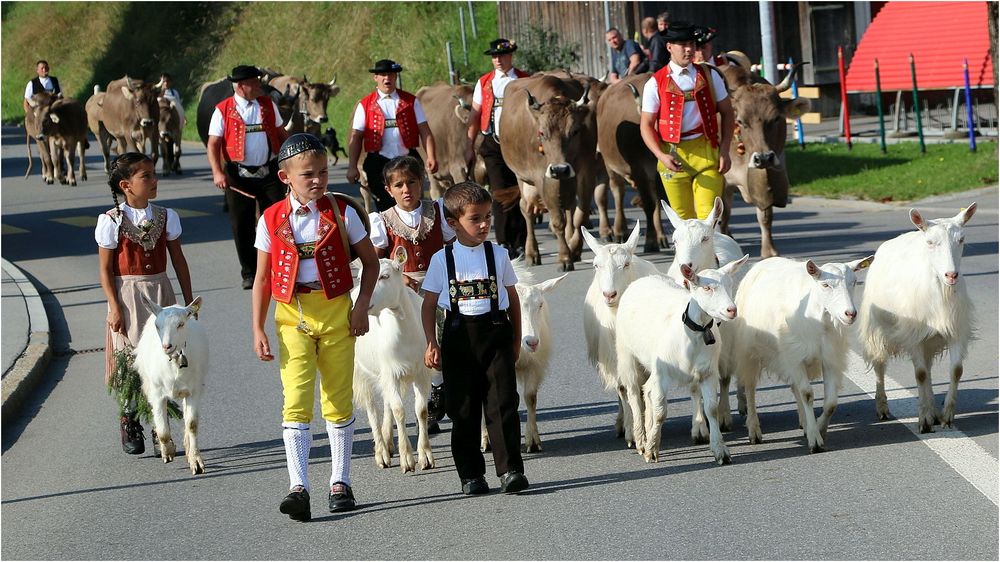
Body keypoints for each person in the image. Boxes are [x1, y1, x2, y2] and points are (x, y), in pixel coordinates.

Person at [251, 133, 378, 522]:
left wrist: (360, 308)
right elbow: (263, 279)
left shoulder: (342, 212)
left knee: (338, 397)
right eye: (308, 174)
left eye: (323, 172)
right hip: (292, 315)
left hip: (336, 310)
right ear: (285, 176)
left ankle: (340, 482)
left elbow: (370, 265)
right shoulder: (270, 219)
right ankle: (298, 486)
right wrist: (257, 328)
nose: (318, 180)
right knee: (296, 397)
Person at [421, 181, 528, 496]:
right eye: (475, 219)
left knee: (503, 403)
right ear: (453, 223)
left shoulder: (498, 254)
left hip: (496, 332)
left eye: (487, 217)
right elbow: (428, 305)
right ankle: (471, 475)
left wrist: (517, 338)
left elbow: (513, 297)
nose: (484, 225)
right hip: (459, 336)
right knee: (463, 409)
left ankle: (510, 470)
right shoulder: (443, 260)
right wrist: (431, 342)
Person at [96, 152, 194, 455]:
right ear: (126, 185)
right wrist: (114, 306)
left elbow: (178, 260)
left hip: (161, 292)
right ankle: (129, 417)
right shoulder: (111, 220)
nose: (154, 180)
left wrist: (189, 304)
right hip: (128, 295)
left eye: (154, 174)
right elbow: (104, 270)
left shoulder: (166, 216)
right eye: (146, 176)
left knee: (163, 358)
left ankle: (158, 423)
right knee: (132, 358)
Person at [368, 155, 456, 432]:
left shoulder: (438, 212)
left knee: (442, 340)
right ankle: (426, 400)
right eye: (399, 185)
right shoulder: (383, 221)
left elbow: (454, 248)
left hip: (438, 289)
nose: (406, 190)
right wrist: (398, 275)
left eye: (412, 182)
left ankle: (440, 392)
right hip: (403, 294)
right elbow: (374, 262)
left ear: (422, 183)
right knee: (412, 346)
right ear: (388, 190)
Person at [639, 22, 735, 221]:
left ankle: (712, 253)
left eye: (691, 43)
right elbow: (646, 125)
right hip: (672, 154)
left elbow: (727, 113)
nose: (689, 49)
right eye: (683, 45)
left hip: (706, 151)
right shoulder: (654, 83)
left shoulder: (710, 75)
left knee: (708, 216)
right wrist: (661, 155)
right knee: (683, 221)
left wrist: (724, 149)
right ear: (669, 47)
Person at [206, 64, 289, 290]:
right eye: (254, 82)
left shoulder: (268, 104)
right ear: (241, 86)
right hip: (238, 175)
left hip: (269, 171)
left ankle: (279, 267)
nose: (259, 85)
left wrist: (290, 163)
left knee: (278, 220)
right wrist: (217, 172)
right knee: (241, 225)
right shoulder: (222, 109)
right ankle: (250, 273)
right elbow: (213, 144)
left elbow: (282, 134)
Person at [464, 38, 531, 259]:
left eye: (502, 56)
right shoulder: (484, 82)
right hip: (493, 142)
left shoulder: (524, 79)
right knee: (500, 193)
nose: (498, 60)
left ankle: (521, 241)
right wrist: (469, 145)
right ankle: (504, 241)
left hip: (520, 143)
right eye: (494, 57)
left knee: (520, 191)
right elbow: (475, 114)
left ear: (511, 56)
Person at [346, 59, 438, 213]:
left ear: (395, 77)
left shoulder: (411, 101)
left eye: (390, 74)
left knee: (412, 204)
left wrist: (431, 156)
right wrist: (352, 166)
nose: (386, 78)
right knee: (386, 208)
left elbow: (425, 131)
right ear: (375, 77)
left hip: (407, 159)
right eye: (382, 74)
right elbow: (356, 137)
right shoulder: (365, 105)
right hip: (378, 162)